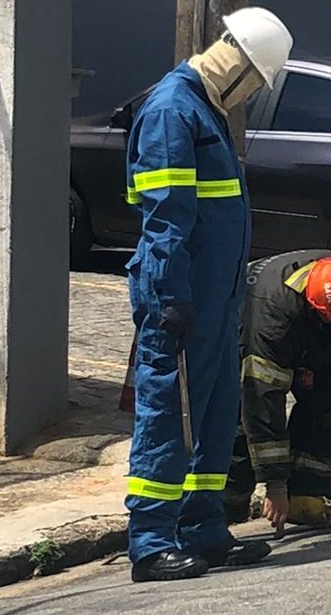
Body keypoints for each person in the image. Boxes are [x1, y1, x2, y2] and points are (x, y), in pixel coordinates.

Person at [123, 8, 293, 582]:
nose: (250, 96)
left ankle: (203, 530)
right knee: (170, 414)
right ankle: (149, 542)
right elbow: (165, 216)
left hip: (214, 298)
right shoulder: (174, 110)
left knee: (217, 412)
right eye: (256, 84)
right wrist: (169, 295)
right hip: (181, 297)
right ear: (241, 66)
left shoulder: (204, 109)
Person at [223, 251, 331, 529]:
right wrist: (275, 486)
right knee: (242, 423)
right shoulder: (271, 325)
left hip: (308, 331)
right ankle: (225, 511)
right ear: (323, 314)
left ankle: (306, 494)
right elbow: (262, 403)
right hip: (238, 331)